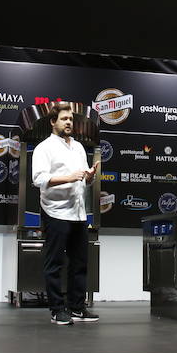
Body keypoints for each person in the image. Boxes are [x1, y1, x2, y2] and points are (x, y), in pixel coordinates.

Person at [31, 102, 100, 325]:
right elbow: (39, 179)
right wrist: (69, 177)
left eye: (70, 119)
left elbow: (83, 180)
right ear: (53, 122)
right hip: (55, 212)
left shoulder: (79, 147)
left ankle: (77, 308)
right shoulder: (44, 148)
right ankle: (56, 310)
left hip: (78, 213)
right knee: (55, 264)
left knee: (80, 263)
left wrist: (89, 178)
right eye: (64, 119)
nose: (69, 122)